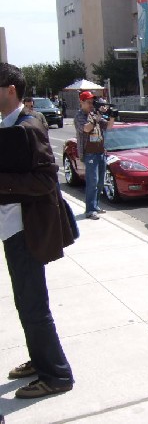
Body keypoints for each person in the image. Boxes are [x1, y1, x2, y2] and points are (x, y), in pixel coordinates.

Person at [0, 62, 75, 398]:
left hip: (25, 231)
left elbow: (46, 180)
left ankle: (56, 375)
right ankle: (38, 356)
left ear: (10, 89)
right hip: (13, 227)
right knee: (24, 302)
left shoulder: (28, 126)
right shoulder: (11, 124)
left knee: (33, 304)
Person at [74, 91, 115, 219]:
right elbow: (86, 129)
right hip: (89, 154)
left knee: (100, 182)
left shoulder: (94, 114)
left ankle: (95, 205)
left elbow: (108, 127)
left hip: (100, 152)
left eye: (92, 102)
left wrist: (112, 115)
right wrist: (96, 118)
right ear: (82, 102)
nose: (91, 105)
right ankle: (90, 210)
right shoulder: (80, 116)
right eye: (89, 102)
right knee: (92, 181)